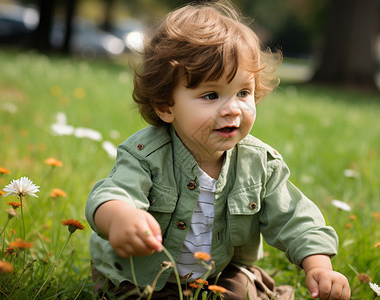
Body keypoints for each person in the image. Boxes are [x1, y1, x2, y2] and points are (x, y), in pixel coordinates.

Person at [85, 1, 351, 299]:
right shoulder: (145, 155)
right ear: (165, 106)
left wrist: (319, 266)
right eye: (211, 95)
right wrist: (120, 216)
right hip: (146, 273)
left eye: (243, 93)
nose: (233, 109)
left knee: (240, 291)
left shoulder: (259, 164)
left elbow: (294, 217)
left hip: (219, 271)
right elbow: (111, 194)